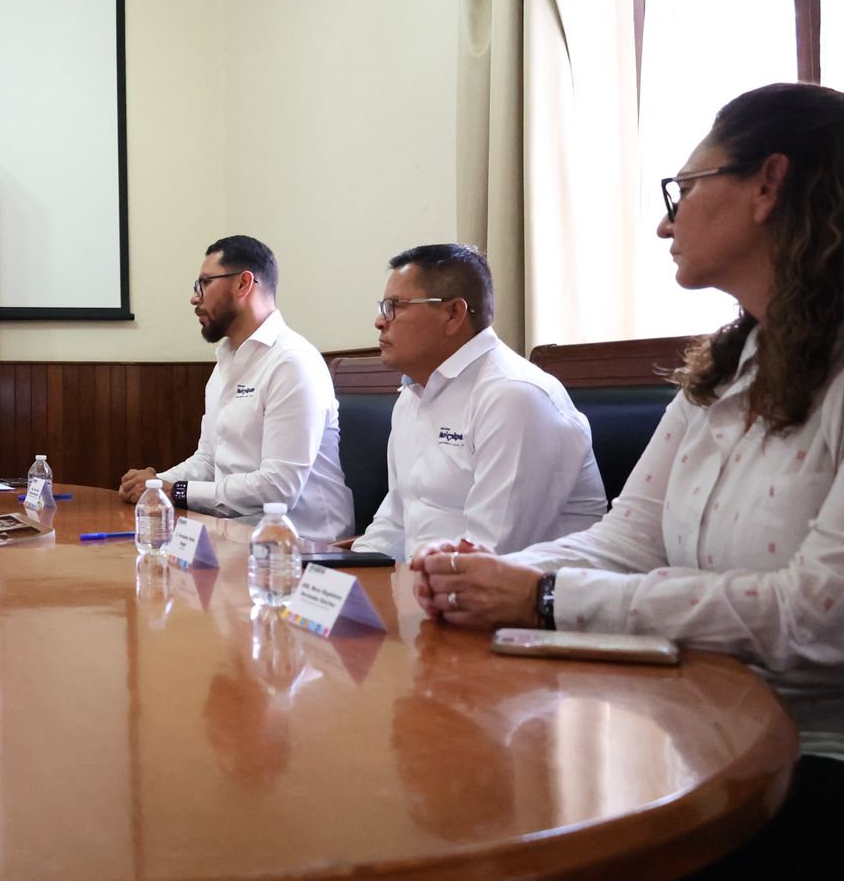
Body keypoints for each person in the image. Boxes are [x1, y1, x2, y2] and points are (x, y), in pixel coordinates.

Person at [411, 83, 844, 867]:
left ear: (768, 185)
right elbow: (630, 538)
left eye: (684, 190)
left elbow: (816, 617)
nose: (664, 223)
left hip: (812, 758)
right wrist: (490, 572)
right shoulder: (726, 365)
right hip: (693, 713)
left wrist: (545, 597)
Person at [352, 243, 605, 560]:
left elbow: (491, 552)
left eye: (394, 307)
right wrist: (343, 577)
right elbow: (394, 524)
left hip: (516, 587)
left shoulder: (514, 396)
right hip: (431, 582)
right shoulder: (413, 395)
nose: (380, 321)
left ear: (453, 314)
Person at [118, 235, 354, 540]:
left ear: (243, 284)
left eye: (205, 283)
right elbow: (208, 460)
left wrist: (176, 491)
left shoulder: (292, 362)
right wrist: (153, 486)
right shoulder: (225, 363)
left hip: (303, 545)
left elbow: (278, 488)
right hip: (235, 532)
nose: (195, 298)